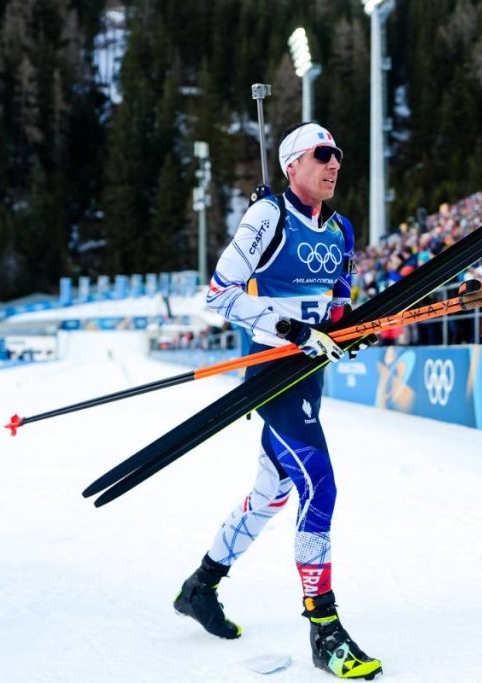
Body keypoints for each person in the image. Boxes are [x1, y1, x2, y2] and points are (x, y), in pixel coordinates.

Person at [175, 122, 383, 680]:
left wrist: (352, 332)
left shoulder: (341, 229)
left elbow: (338, 309)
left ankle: (201, 585)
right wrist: (290, 328)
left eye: (338, 155)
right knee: (320, 485)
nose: (334, 163)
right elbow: (220, 293)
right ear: (292, 165)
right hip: (272, 374)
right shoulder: (268, 217)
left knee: (270, 494)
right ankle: (325, 630)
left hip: (309, 376)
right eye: (322, 154)